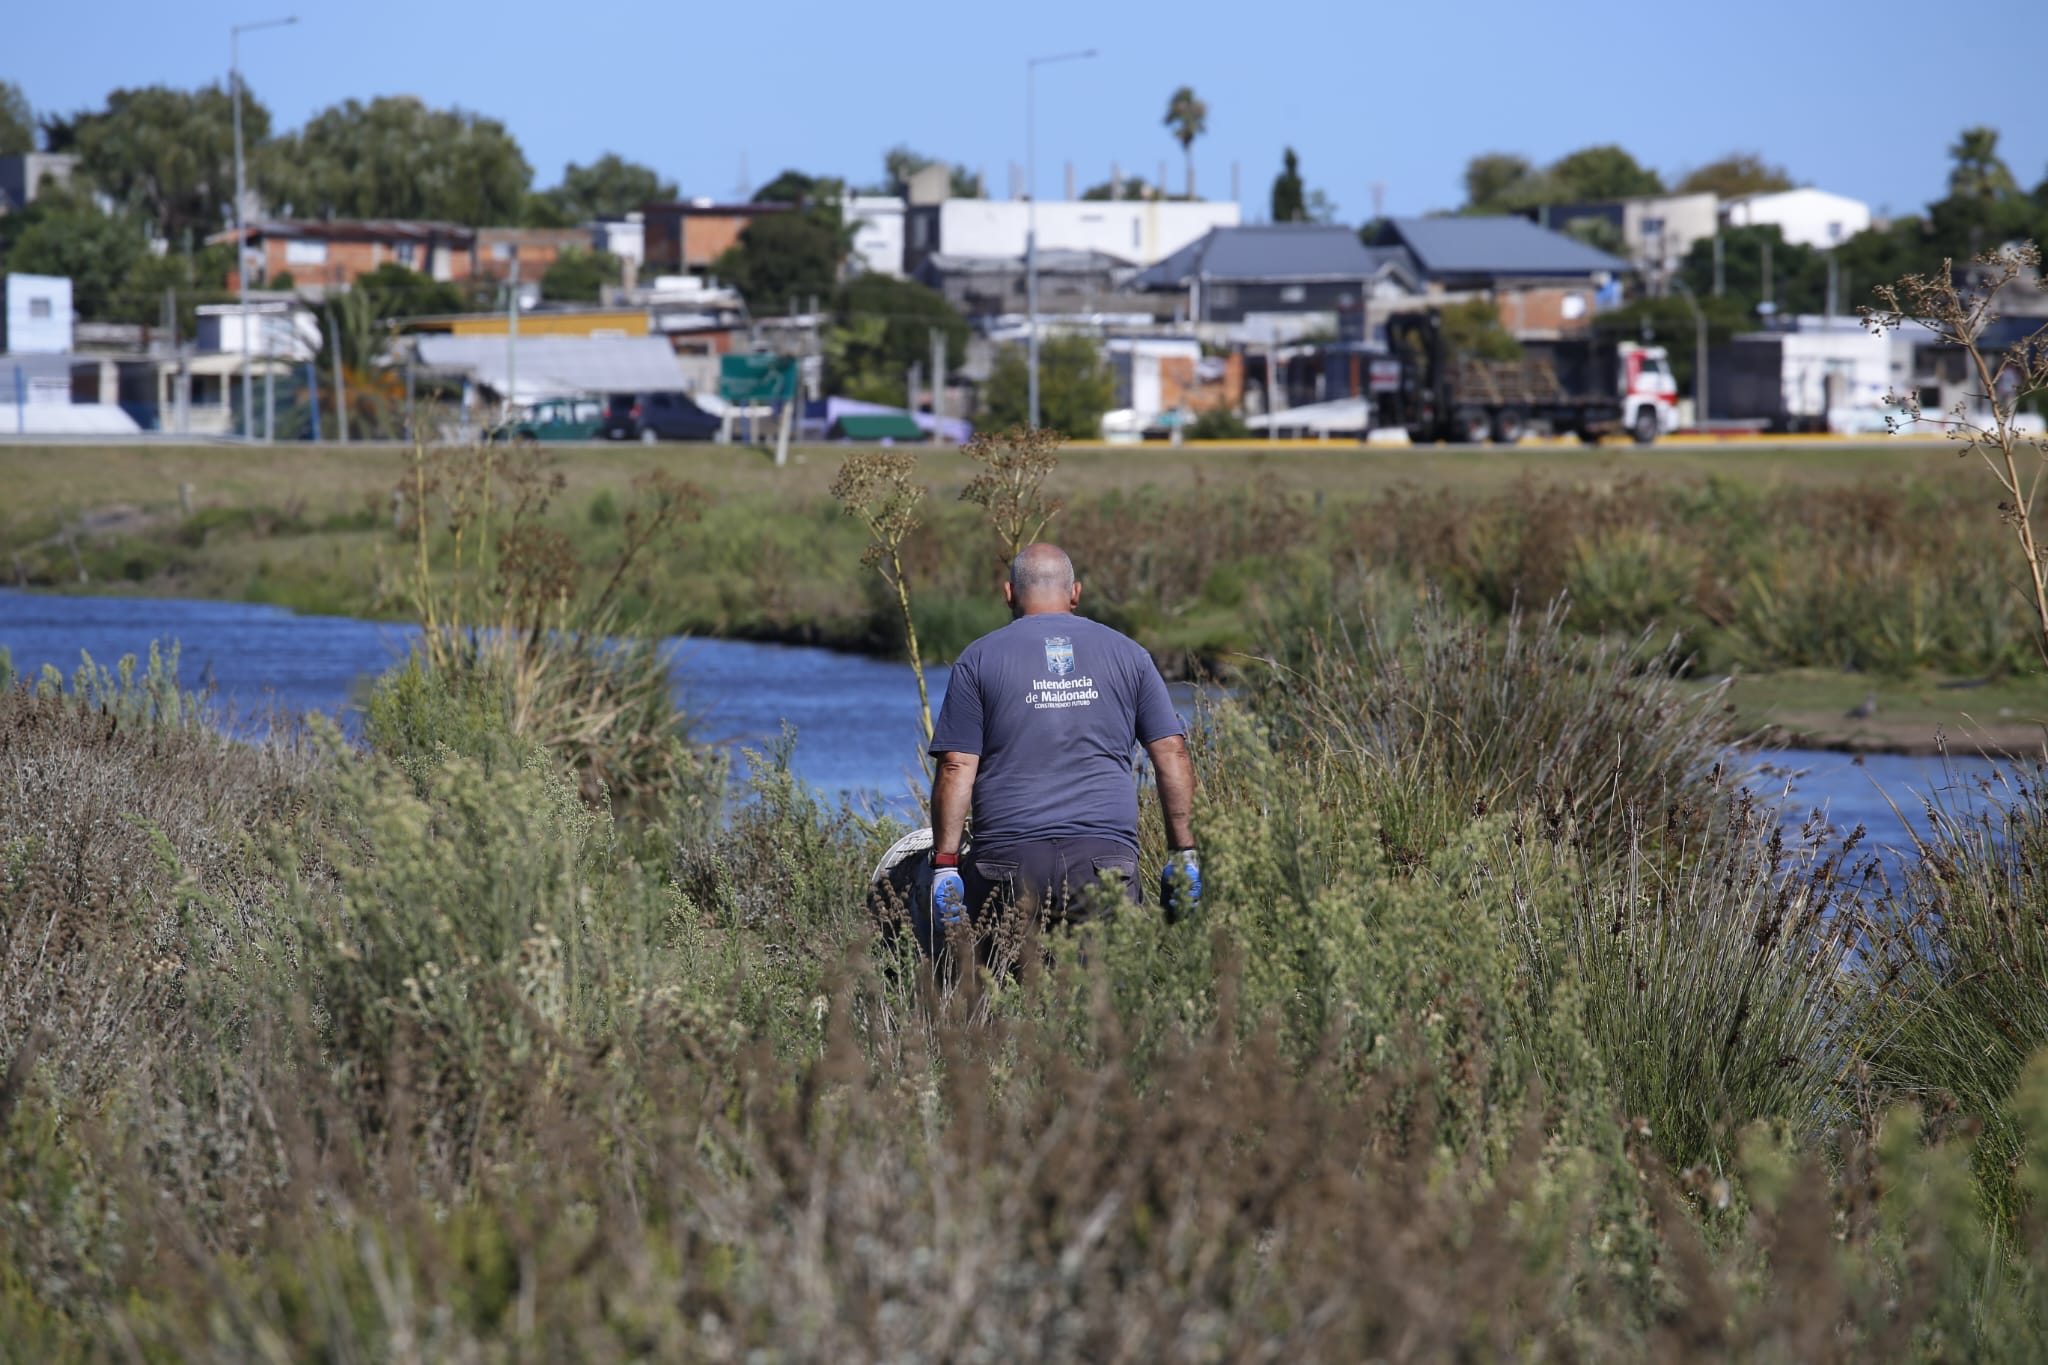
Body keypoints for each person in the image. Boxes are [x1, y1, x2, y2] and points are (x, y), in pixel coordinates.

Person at [923, 542, 1198, 955]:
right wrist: (1184, 853)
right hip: (1105, 865)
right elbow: (1172, 755)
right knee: (1105, 1005)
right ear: (1075, 593)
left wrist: (945, 865)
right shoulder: (1131, 656)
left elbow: (956, 766)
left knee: (1002, 1001)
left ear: (1009, 594)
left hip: (1007, 867)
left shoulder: (977, 659)